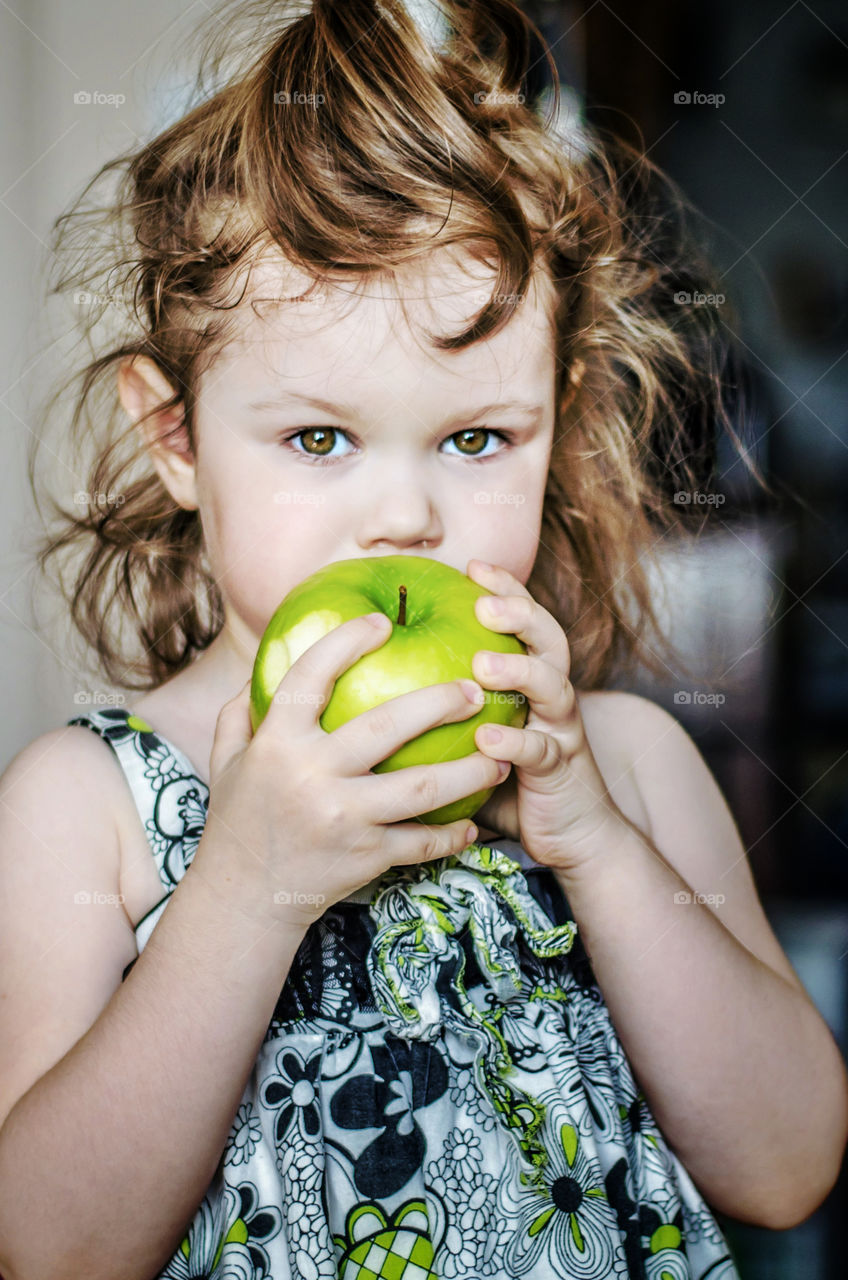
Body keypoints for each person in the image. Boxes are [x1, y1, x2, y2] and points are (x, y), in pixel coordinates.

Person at [1, 1, 846, 1277]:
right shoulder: (88, 808)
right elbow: (49, 1244)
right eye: (319, 438)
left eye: (473, 438)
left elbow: (785, 1169)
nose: (405, 514)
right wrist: (244, 889)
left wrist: (600, 851)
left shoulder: (623, 767)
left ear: (555, 422)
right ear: (175, 438)